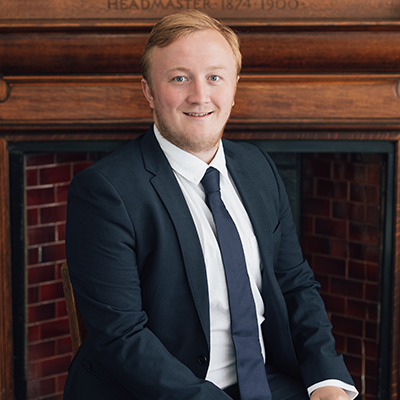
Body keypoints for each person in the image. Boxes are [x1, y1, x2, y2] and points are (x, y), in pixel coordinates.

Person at [63, 10, 358, 400]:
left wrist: (328, 381)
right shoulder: (104, 191)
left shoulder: (257, 167)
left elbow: (295, 284)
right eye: (179, 78)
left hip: (266, 381)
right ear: (149, 91)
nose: (199, 96)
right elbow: (122, 337)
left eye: (214, 77)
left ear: (234, 89)